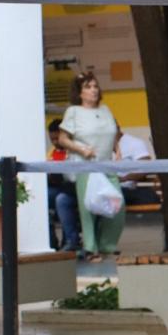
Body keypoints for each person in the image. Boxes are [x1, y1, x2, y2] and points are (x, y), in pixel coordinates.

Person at [55, 72, 125, 257]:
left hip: (107, 164)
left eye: (95, 86)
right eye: (88, 87)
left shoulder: (105, 110)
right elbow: (63, 139)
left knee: (118, 206)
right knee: (89, 208)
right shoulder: (74, 112)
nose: (93, 90)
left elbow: (114, 132)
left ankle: (106, 246)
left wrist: (117, 149)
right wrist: (80, 149)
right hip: (86, 165)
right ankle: (90, 248)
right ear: (79, 93)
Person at [46, 119, 81, 252]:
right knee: (43, 197)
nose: (55, 142)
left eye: (57, 139)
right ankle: (50, 241)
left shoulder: (74, 150)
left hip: (75, 188)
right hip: (59, 186)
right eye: (52, 139)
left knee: (61, 200)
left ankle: (71, 240)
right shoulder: (52, 152)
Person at [116, 131, 161, 207]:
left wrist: (124, 178)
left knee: (148, 197)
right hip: (105, 191)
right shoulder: (98, 144)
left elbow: (145, 167)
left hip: (124, 190)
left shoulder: (132, 143)